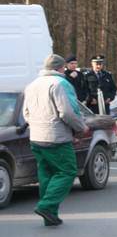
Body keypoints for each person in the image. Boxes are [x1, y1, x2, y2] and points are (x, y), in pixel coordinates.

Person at [23, 54, 89, 226]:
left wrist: (37, 127)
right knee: (67, 171)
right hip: (56, 138)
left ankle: (50, 214)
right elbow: (67, 112)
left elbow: (26, 113)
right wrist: (81, 128)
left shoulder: (31, 85)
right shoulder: (60, 84)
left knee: (46, 174)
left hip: (36, 137)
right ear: (61, 67)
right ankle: (46, 206)